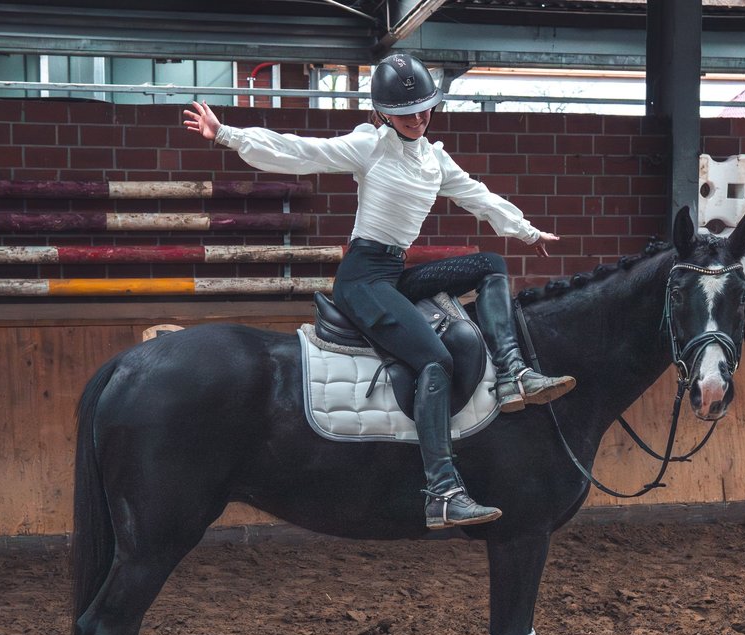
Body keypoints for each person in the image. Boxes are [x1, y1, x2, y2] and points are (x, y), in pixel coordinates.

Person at [184, 53, 575, 529]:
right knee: (434, 359)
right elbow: (302, 151)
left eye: (424, 107)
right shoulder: (370, 146)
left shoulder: (435, 158)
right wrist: (227, 134)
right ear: (384, 113)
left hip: (393, 272)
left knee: (491, 264)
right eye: (406, 111)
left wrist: (528, 232)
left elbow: (479, 195)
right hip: (362, 279)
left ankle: (515, 374)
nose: (417, 117)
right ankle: (443, 491)